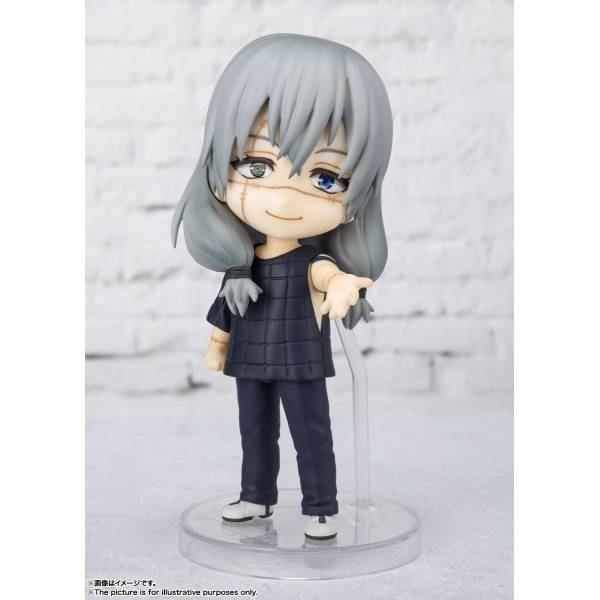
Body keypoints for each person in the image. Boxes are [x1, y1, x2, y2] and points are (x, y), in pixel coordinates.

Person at [172, 34, 393, 540]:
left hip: (299, 361)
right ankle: (256, 496)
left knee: (311, 434)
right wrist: (217, 344)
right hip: (250, 360)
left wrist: (345, 288)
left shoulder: (310, 261)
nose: (285, 197)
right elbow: (225, 314)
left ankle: (321, 506)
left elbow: (331, 277)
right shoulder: (241, 267)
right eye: (258, 167)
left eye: (325, 178)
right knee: (254, 432)